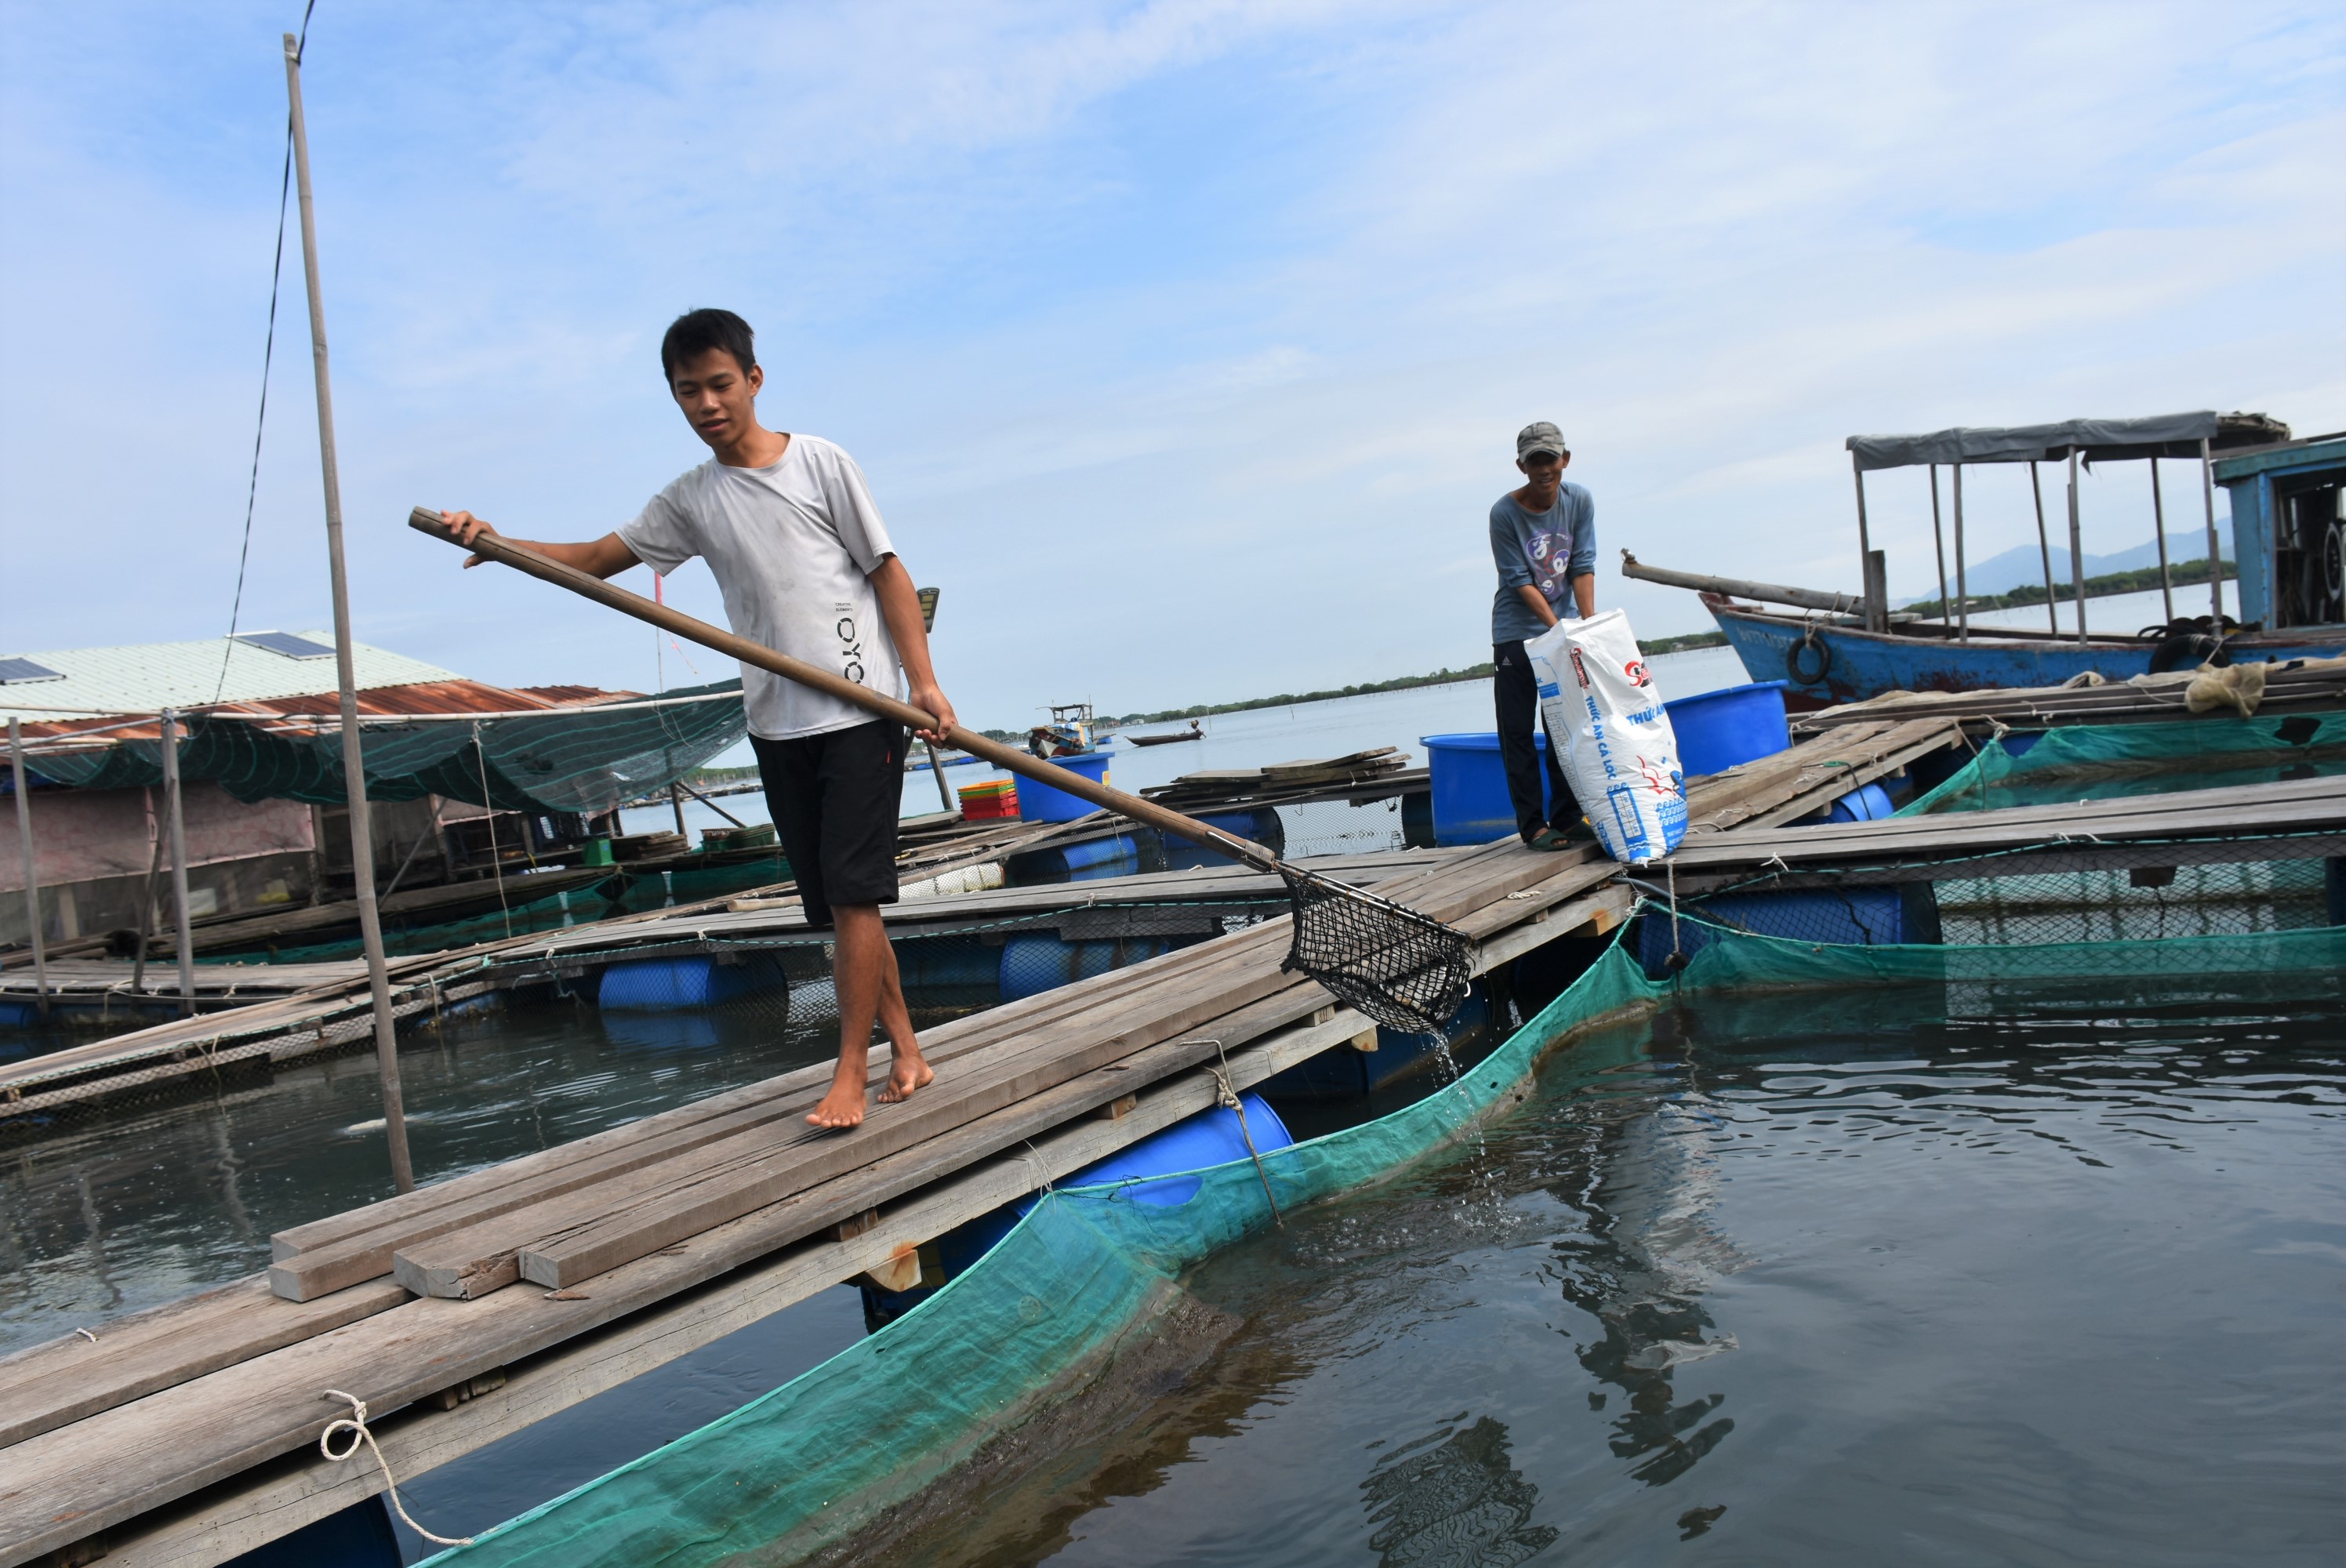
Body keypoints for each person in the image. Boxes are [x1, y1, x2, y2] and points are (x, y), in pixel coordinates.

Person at [439, 308, 953, 1130]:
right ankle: (911, 1052)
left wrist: (924, 685)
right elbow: (597, 559)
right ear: (675, 399)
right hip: (776, 720)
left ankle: (849, 1070)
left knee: (855, 899)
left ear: (753, 379)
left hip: (860, 709)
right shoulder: (691, 499)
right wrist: (501, 543)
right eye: (689, 391)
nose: (708, 402)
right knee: (836, 907)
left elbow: (889, 573)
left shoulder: (819, 463)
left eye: (720, 384)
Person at [1488, 420, 1594, 850]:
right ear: (1521, 466)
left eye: (1550, 459)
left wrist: (1587, 629)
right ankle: (1532, 826)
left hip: (1565, 630)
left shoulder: (1579, 500)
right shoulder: (1504, 513)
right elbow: (1517, 579)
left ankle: (1567, 817)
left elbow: (1583, 564)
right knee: (1518, 732)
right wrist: (1558, 631)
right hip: (1517, 633)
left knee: (1565, 729)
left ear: (1564, 459)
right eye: (1535, 461)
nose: (1544, 469)